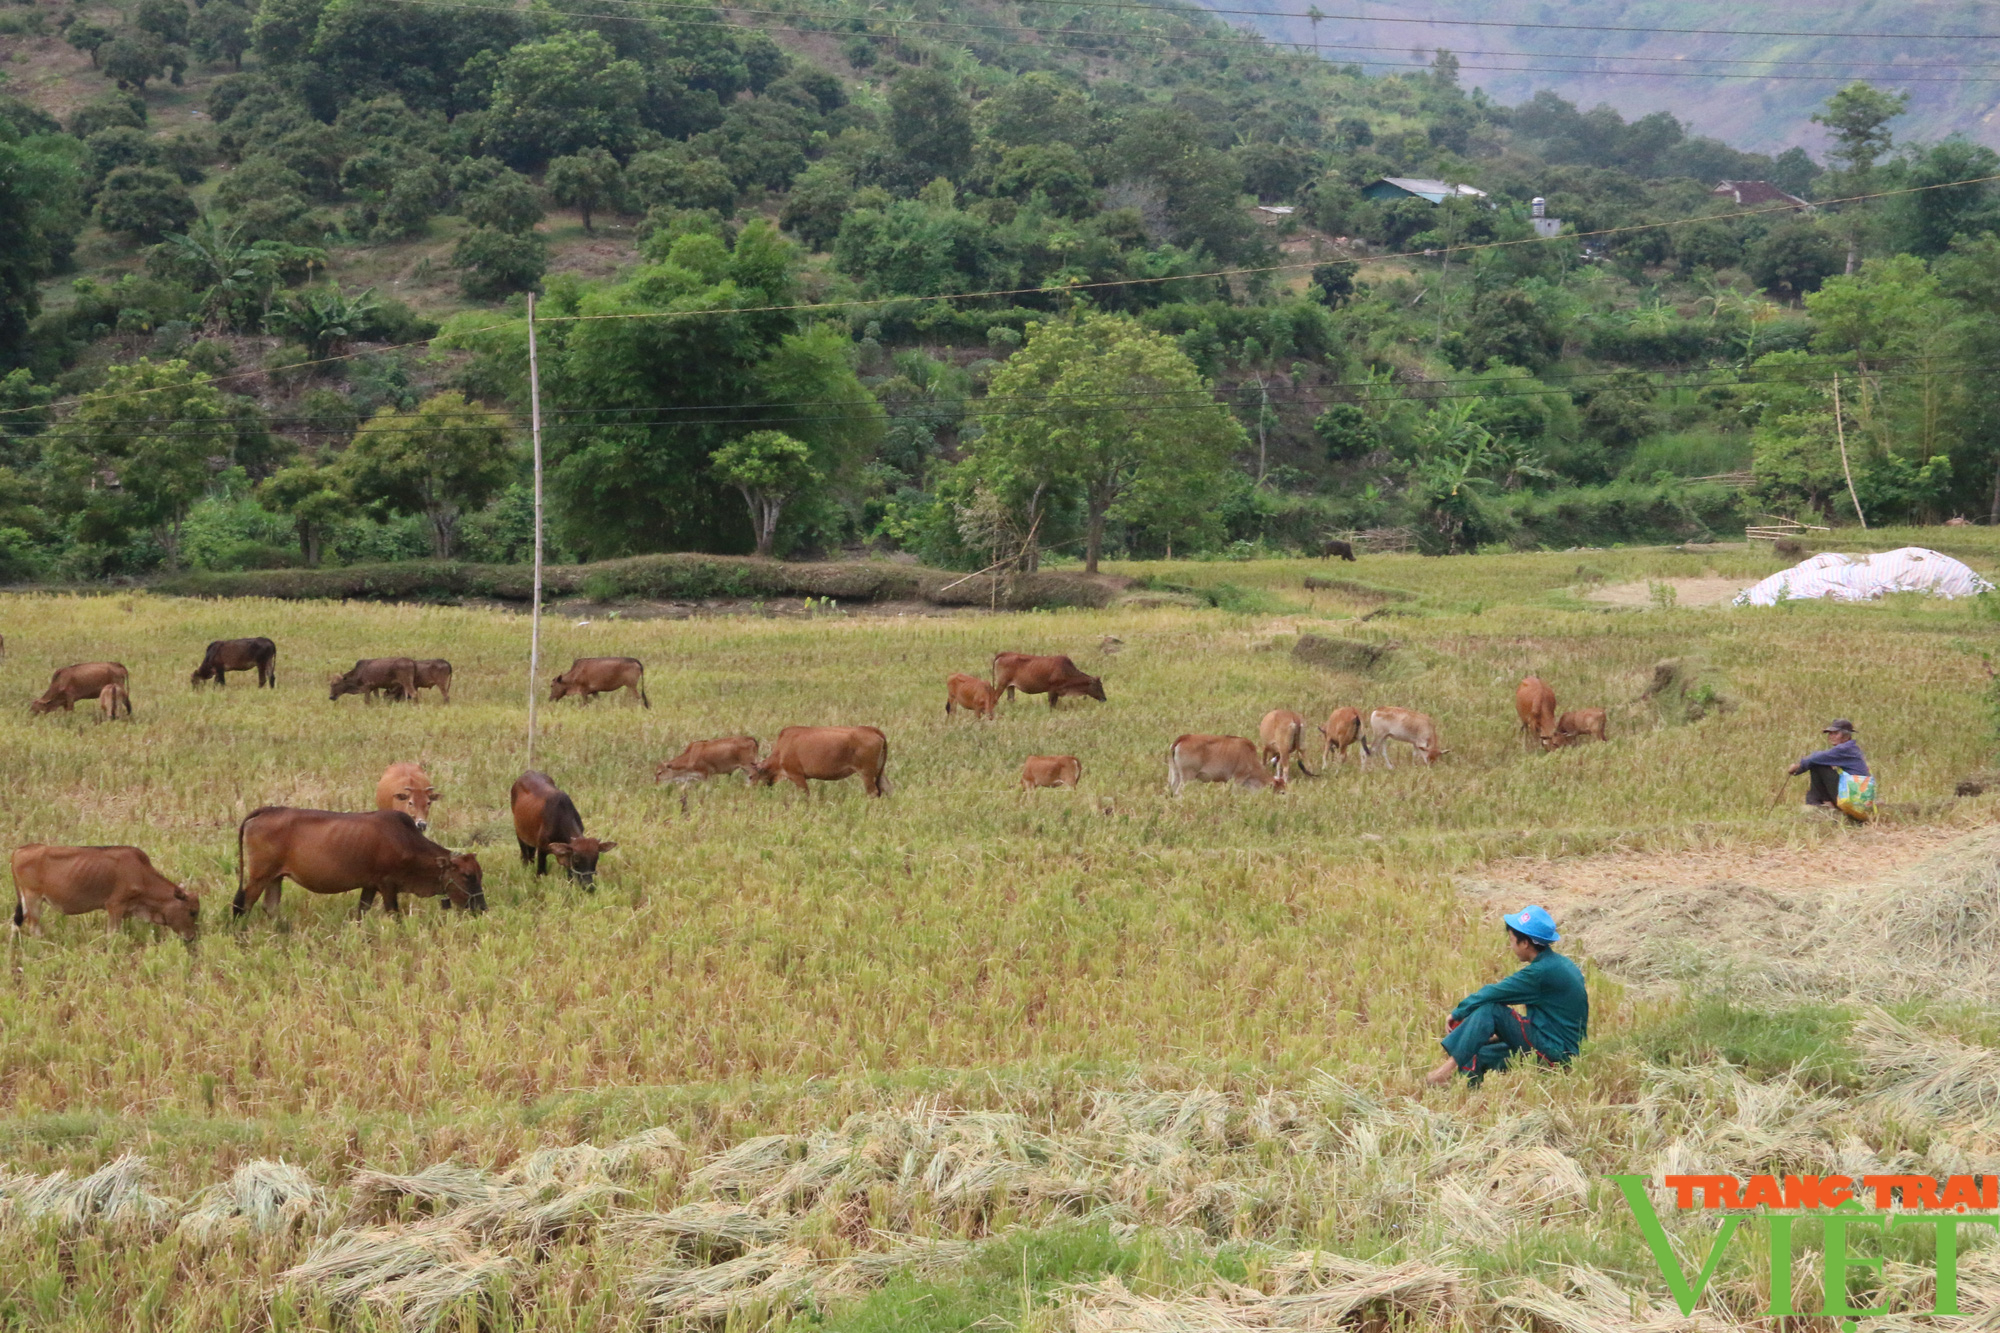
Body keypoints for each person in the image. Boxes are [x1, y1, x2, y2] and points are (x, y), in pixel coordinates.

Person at [1425, 905, 1588, 1086]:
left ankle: (1444, 1073)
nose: (1510, 946)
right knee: (1478, 1053)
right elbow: (1550, 1022)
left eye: (1511, 940)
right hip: (1561, 1048)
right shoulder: (1560, 964)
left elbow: (1493, 993)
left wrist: (1458, 1013)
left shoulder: (1541, 973)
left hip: (1555, 1053)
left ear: (1525, 943)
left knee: (1491, 1010)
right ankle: (1465, 1089)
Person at [1789, 719, 1868, 813]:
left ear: (1846, 736)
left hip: (1854, 797)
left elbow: (1816, 758)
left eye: (1835, 733)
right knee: (1819, 763)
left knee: (1817, 764)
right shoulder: (1850, 748)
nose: (1831, 736)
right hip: (1856, 794)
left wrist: (1797, 767)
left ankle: (1817, 804)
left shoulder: (1844, 749)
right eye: (1830, 734)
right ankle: (1824, 803)